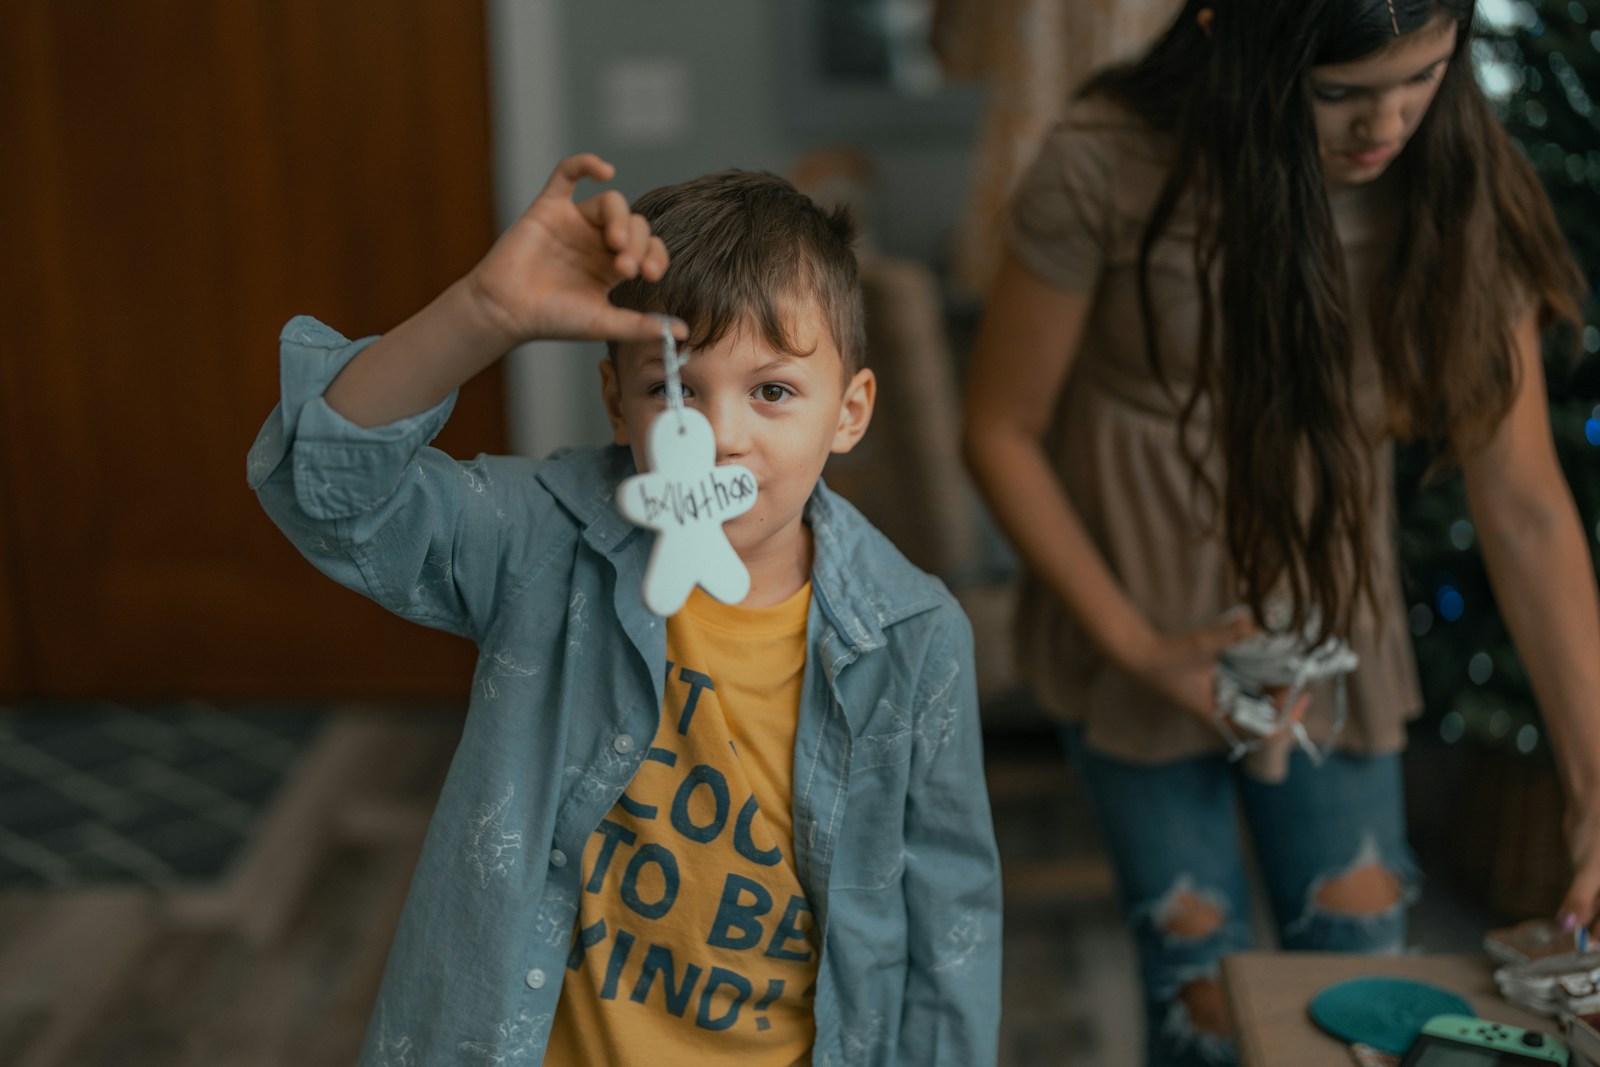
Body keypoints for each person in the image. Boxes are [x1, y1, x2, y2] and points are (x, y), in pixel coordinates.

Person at [248, 154, 1002, 1066]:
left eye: (772, 390)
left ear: (848, 412)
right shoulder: (544, 543)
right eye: (675, 389)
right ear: (617, 404)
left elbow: (949, 927)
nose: (721, 434)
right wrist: (481, 314)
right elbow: (325, 489)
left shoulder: (916, 640)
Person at [961, 1, 1600, 1064]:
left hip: (1331, 635)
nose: (1384, 123)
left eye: (1423, 76)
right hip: (1131, 622)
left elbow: (1527, 508)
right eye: (1339, 92)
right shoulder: (1104, 159)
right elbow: (1001, 430)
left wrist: (1591, 786)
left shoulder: (1455, 185)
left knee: (1365, 978)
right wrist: (1139, 648)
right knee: (1198, 999)